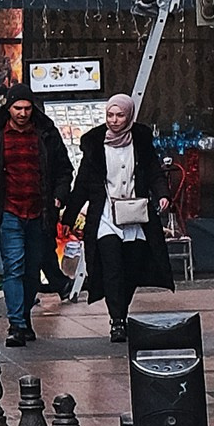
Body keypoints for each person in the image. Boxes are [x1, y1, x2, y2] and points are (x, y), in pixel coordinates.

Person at [66, 94, 172, 336]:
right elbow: (83, 183)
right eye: (110, 115)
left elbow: (154, 172)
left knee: (132, 268)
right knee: (112, 266)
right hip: (105, 216)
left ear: (130, 116)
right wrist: (68, 216)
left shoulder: (141, 141)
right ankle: (117, 320)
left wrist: (163, 194)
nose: (114, 120)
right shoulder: (95, 144)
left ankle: (121, 311)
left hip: (136, 216)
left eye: (120, 115)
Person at [0, 90, 73, 346]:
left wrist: (58, 198)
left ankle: (24, 318)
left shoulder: (45, 133)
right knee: (14, 267)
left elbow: (64, 170)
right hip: (8, 210)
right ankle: (16, 324)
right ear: (8, 108)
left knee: (31, 269)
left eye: (27, 108)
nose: (22, 113)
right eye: (18, 108)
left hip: (39, 210)